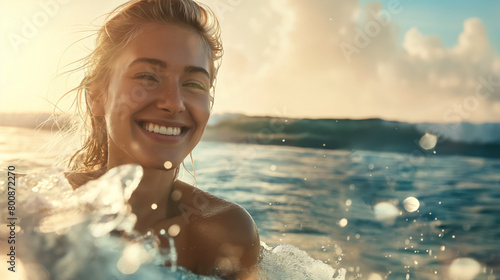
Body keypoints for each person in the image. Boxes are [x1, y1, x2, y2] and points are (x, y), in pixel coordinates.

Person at [62, 0, 260, 278]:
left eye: (193, 84)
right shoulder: (38, 210)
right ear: (97, 96)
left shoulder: (223, 231)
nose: (174, 103)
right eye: (147, 76)